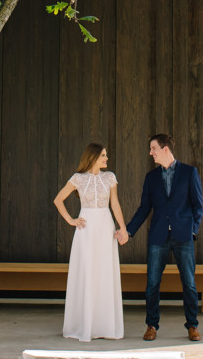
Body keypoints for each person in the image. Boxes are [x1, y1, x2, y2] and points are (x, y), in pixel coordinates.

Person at [124, 133, 203, 342]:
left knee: (189, 284)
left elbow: (198, 206)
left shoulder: (189, 172)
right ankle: (151, 325)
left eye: (153, 149)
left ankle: (192, 326)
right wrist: (128, 231)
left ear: (165, 148)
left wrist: (193, 229)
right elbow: (144, 208)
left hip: (183, 236)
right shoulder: (151, 178)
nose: (151, 153)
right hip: (158, 236)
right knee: (152, 284)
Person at [52, 142, 129, 341]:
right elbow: (58, 199)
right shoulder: (78, 178)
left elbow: (115, 204)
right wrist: (71, 220)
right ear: (93, 157)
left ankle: (105, 326)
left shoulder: (110, 177)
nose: (106, 159)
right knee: (87, 272)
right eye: (103, 155)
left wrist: (123, 228)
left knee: (104, 272)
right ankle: (84, 325)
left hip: (105, 227)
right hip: (86, 229)